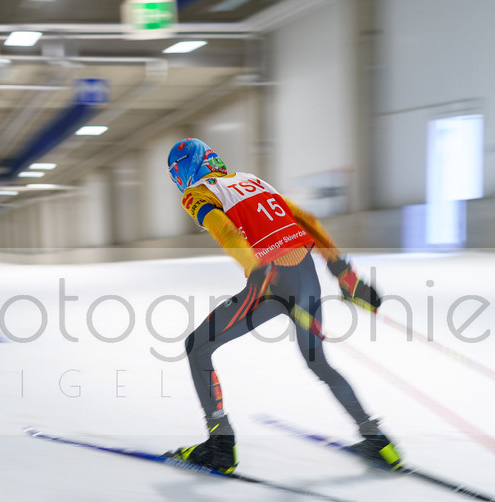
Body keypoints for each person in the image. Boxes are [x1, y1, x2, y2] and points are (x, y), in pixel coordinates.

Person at [164, 137, 402, 474]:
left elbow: (227, 232)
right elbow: (308, 220)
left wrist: (256, 271)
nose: (178, 183)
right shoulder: (251, 180)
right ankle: (378, 440)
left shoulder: (198, 194)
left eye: (176, 174)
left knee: (197, 347)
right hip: (305, 276)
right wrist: (344, 274)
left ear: (185, 170)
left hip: (270, 281)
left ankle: (220, 445)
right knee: (319, 363)